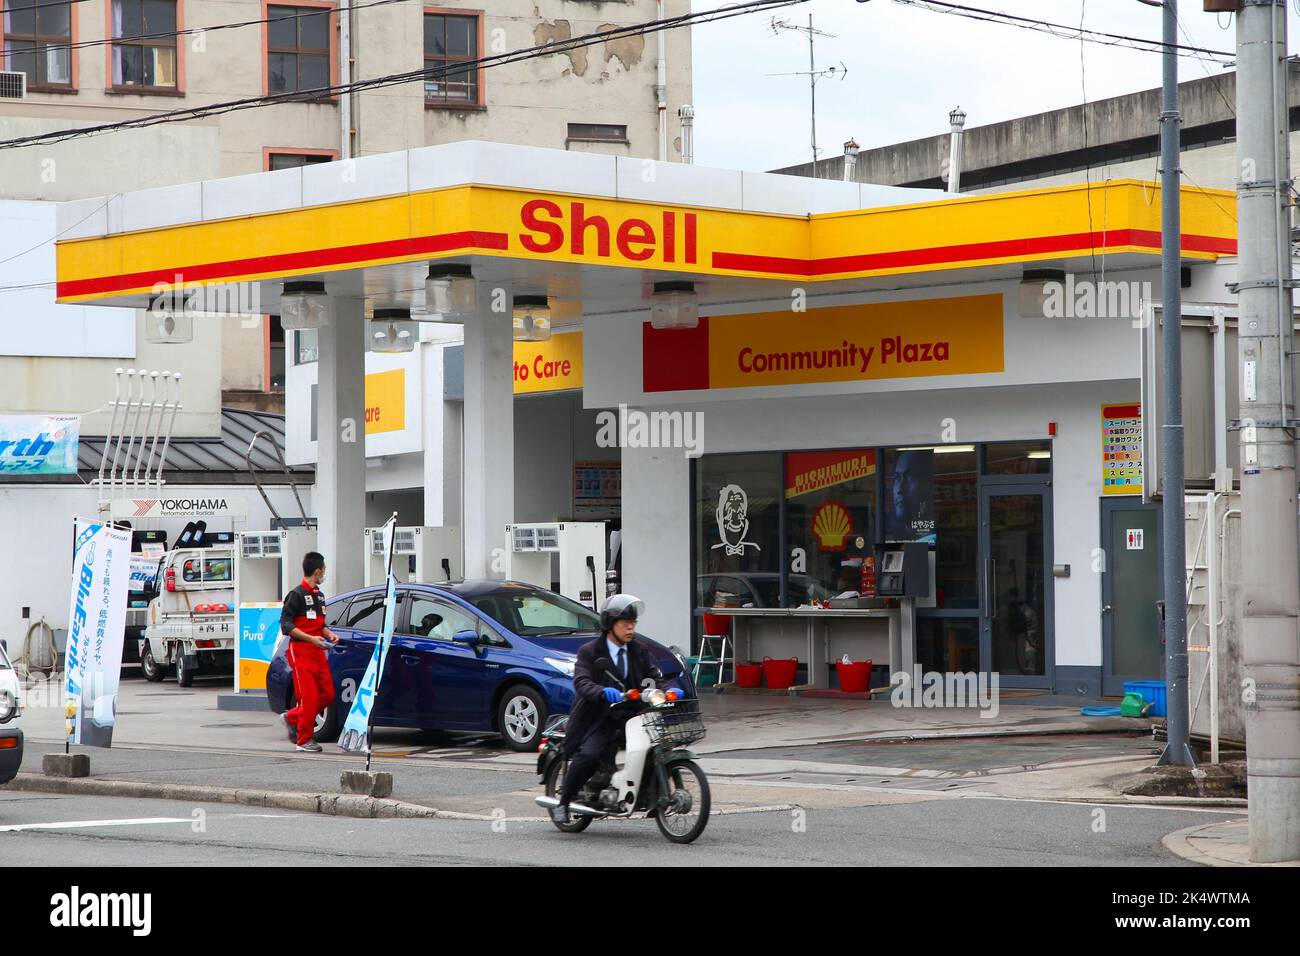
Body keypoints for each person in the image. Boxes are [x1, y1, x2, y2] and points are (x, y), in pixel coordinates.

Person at [551, 593, 661, 825]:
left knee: (653, 748)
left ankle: (650, 796)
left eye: (633, 623)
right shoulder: (589, 651)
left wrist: (665, 689)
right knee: (589, 755)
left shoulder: (639, 651)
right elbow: (581, 682)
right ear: (610, 625)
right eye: (624, 623)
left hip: (632, 715)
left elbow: (653, 677)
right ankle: (564, 802)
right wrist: (601, 691)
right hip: (599, 716)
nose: (630, 628)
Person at [278, 552, 339, 752]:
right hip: (301, 650)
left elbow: (320, 624)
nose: (324, 574)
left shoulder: (319, 595)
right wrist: (311, 639)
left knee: (328, 694)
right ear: (317, 570)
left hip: (318, 651)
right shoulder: (295, 595)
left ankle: (292, 716)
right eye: (324, 570)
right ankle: (304, 740)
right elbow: (286, 626)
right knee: (310, 698)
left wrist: (329, 634)